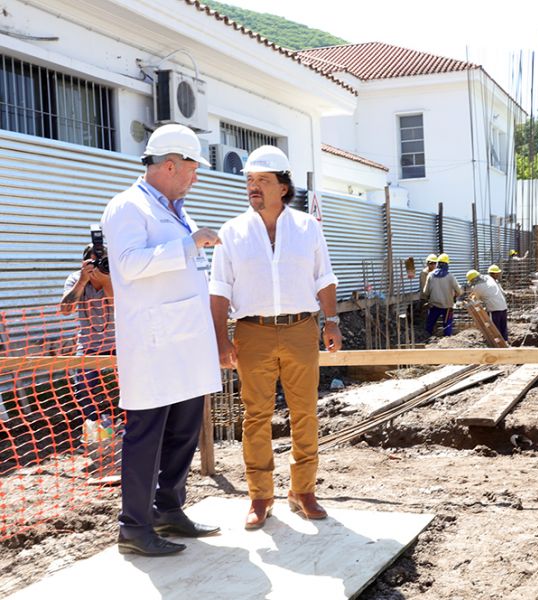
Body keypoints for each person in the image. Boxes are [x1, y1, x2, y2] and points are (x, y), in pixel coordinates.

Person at [101, 124, 223, 556]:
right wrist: (189, 244)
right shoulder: (127, 208)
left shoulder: (175, 208)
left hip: (185, 343)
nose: (196, 176)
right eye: (193, 168)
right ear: (170, 164)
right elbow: (130, 266)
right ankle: (134, 527)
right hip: (153, 344)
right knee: (147, 435)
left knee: (184, 430)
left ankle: (168, 509)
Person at [209, 145, 341, 530]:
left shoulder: (307, 228)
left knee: (305, 413)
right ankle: (260, 496)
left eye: (263, 181)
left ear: (283, 187)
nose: (254, 188)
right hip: (253, 333)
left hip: (302, 328)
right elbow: (219, 289)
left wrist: (331, 322)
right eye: (250, 181)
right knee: (256, 416)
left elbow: (324, 278)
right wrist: (221, 339)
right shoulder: (232, 232)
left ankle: (303, 491)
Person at [60, 243, 116, 452]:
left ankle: (130, 422)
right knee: (82, 384)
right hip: (89, 343)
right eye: (94, 262)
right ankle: (94, 423)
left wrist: (105, 280)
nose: (99, 265)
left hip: (120, 342)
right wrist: (83, 281)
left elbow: (119, 304)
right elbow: (65, 310)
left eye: (103, 261)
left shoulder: (115, 275)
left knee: (134, 380)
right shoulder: (76, 278)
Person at [423, 253, 461, 337]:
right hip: (447, 306)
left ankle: (427, 338)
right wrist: (455, 295)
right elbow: (459, 291)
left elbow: (425, 292)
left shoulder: (430, 275)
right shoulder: (450, 276)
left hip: (434, 305)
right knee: (447, 325)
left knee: (430, 324)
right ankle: (447, 341)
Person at [466, 269, 508, 341]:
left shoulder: (477, 287)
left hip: (493, 308)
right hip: (503, 306)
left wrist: (470, 296)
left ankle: (496, 346)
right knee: (503, 327)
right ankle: (505, 342)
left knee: (494, 328)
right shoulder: (488, 277)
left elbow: (476, 299)